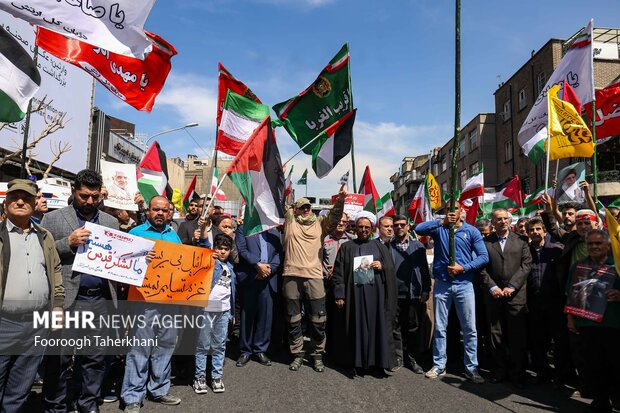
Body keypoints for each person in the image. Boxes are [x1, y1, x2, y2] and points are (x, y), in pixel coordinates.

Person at [41, 169, 120, 413]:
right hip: (65, 301)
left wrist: (140, 257)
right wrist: (68, 243)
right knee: (60, 358)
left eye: (94, 197)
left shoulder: (110, 222)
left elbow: (120, 257)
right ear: (74, 191)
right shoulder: (54, 219)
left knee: (94, 357)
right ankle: (56, 406)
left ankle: (88, 404)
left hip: (99, 300)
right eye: (84, 196)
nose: (89, 202)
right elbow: (40, 254)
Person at [0, 179, 64, 412]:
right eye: (14, 197)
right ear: (5, 203)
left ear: (34, 202)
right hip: (4, 323)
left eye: (26, 198)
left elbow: (55, 270)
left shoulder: (44, 236)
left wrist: (57, 306)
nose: (20, 201)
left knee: (20, 389)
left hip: (36, 325)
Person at [415, 200, 488, 384]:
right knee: (440, 327)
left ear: (461, 211)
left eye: (455, 209)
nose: (452, 212)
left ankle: (471, 367)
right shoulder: (440, 229)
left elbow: (483, 257)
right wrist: (441, 222)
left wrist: (463, 268)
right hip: (442, 284)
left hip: (464, 284)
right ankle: (439, 364)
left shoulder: (471, 231)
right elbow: (419, 228)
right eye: (448, 209)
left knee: (469, 328)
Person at [121, 196, 183, 413]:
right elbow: (122, 263)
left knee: (165, 346)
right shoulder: (135, 234)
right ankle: (132, 396)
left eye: (164, 210)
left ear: (169, 213)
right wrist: (140, 258)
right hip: (143, 302)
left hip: (169, 302)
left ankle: (158, 390)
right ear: (148, 211)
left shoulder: (174, 236)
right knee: (139, 348)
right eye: (156, 209)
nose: (160, 214)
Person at [282, 187, 345, 372]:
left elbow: (334, 216)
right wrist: (279, 175)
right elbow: (280, 200)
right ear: (296, 210)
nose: (306, 209)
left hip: (315, 277)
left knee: (318, 319)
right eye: (302, 207)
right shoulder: (290, 221)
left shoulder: (320, 224)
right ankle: (297, 354)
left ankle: (317, 355)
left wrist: (341, 198)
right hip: (291, 275)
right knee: (293, 319)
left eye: (308, 207)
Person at [332, 211, 398, 372]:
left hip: (376, 295)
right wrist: (339, 294)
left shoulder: (380, 247)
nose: (363, 230)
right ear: (355, 229)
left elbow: (390, 268)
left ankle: (376, 362)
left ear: (372, 229)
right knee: (355, 326)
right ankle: (356, 361)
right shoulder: (347, 247)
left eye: (367, 227)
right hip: (354, 295)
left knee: (376, 327)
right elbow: (339, 272)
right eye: (360, 227)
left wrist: (381, 266)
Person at [566, 229, 619, 413]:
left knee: (615, 364)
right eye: (591, 244)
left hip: (613, 324)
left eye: (598, 243)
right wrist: (570, 318)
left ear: (608, 245)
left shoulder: (618, 266)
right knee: (593, 365)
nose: (594, 247)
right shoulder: (578, 266)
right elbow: (570, 294)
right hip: (587, 324)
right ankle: (600, 399)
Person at [480, 209, 532, 388]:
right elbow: (481, 268)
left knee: (517, 336)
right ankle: (499, 371)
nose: (503, 222)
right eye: (499, 219)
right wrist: (493, 286)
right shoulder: (485, 242)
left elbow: (526, 265)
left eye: (505, 219)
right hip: (494, 296)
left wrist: (512, 286)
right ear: (492, 223)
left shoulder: (521, 241)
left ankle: (518, 373)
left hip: (516, 296)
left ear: (510, 221)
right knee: (496, 335)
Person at [386, 214, 431, 374]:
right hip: (394, 295)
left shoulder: (418, 246)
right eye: (396, 225)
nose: (399, 227)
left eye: (402, 224)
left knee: (413, 327)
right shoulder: (387, 247)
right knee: (395, 326)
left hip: (413, 295)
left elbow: (424, 270)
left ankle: (412, 358)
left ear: (408, 226)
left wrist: (426, 289)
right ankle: (398, 357)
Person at [525, 217, 567, 384]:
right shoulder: (525, 251)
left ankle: (561, 376)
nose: (535, 232)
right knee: (538, 340)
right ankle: (542, 373)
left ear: (544, 230)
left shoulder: (557, 249)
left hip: (555, 303)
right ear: (528, 233)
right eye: (531, 230)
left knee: (559, 342)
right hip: (534, 303)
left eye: (538, 229)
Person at [193, 234, 237, 394]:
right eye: (219, 248)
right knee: (202, 345)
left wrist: (232, 314)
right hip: (205, 311)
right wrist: (207, 254)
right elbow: (202, 246)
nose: (222, 252)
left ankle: (216, 376)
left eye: (226, 249)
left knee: (219, 345)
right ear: (214, 249)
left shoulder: (230, 268)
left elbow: (232, 293)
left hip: (223, 312)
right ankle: (200, 376)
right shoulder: (210, 263)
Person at [235, 224, 282, 367]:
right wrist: (257, 266)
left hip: (268, 279)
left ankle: (260, 349)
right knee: (247, 315)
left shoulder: (274, 232)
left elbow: (279, 253)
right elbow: (242, 250)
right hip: (251, 277)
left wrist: (270, 268)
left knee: (265, 316)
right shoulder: (244, 228)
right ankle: (245, 351)